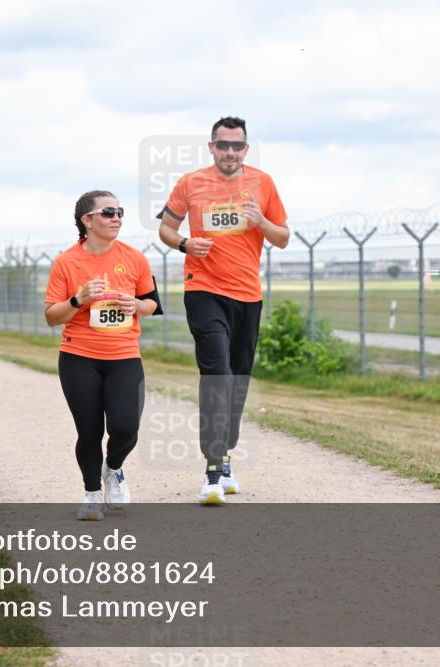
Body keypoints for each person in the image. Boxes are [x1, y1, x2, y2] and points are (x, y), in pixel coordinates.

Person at [157, 116, 289, 505]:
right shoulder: (190, 183)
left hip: (248, 295)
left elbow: (281, 238)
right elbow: (165, 228)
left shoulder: (263, 183)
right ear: (210, 147)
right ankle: (213, 470)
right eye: (223, 144)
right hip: (203, 289)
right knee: (217, 372)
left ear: (245, 150)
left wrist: (260, 220)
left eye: (237, 146)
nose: (230, 152)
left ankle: (225, 454)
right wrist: (184, 245)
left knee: (238, 380)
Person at [45, 191, 162, 520]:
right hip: (78, 356)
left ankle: (114, 468)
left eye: (120, 212)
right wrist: (78, 299)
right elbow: (52, 316)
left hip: (124, 355)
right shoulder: (67, 262)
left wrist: (137, 305)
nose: (117, 218)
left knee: (126, 428)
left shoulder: (135, 258)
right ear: (87, 221)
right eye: (108, 212)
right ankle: (92, 494)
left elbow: (152, 303)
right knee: (89, 430)